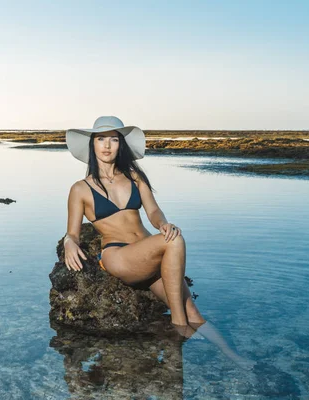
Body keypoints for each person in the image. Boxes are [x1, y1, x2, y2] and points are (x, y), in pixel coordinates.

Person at [62, 115, 206, 338]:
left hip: (149, 254)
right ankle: (178, 327)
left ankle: (231, 357)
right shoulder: (80, 189)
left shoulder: (135, 177)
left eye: (114, 139)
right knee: (175, 242)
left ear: (121, 144)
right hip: (118, 256)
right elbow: (72, 233)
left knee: (195, 315)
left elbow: (153, 211)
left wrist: (163, 224)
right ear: (93, 144)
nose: (107, 145)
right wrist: (68, 242)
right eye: (101, 139)